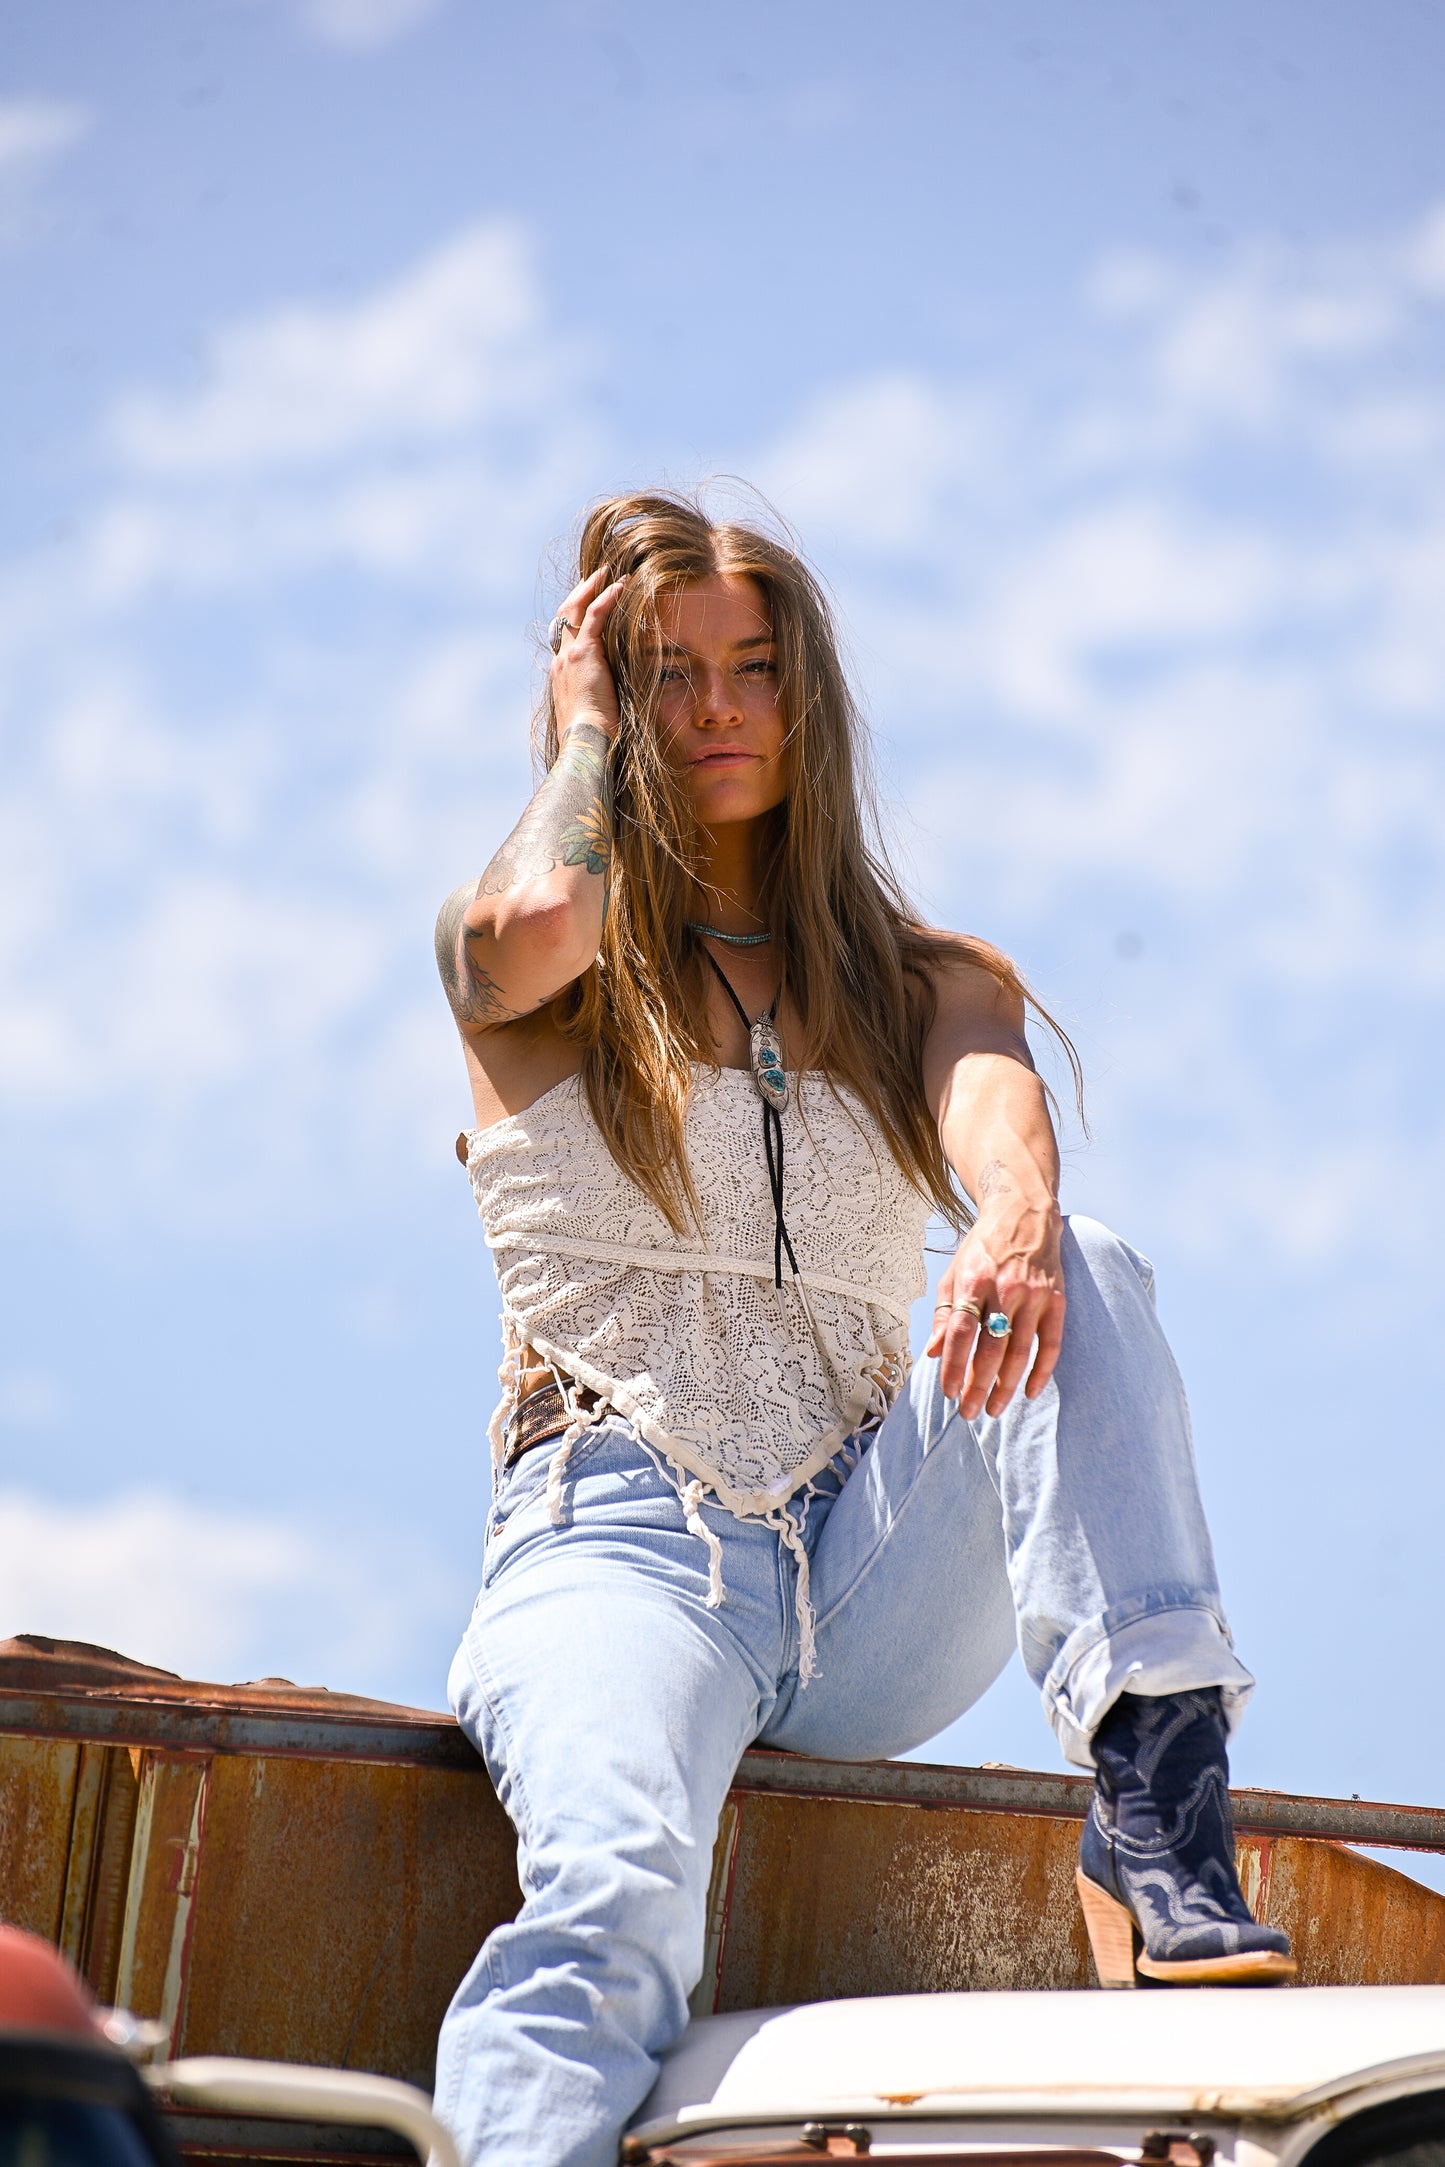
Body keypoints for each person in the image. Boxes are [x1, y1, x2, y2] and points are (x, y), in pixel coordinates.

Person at [431, 490, 1293, 2167]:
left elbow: (992, 1116)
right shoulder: (520, 952)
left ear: (807, 693)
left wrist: (1018, 1221)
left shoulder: (915, 976)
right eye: (669, 673)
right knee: (609, 1898)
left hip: (865, 1555)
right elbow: (543, 914)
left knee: (1086, 1260)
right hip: (619, 1547)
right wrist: (583, 733)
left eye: (754, 668)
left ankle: (1158, 1809)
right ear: (607, 692)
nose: (721, 709)